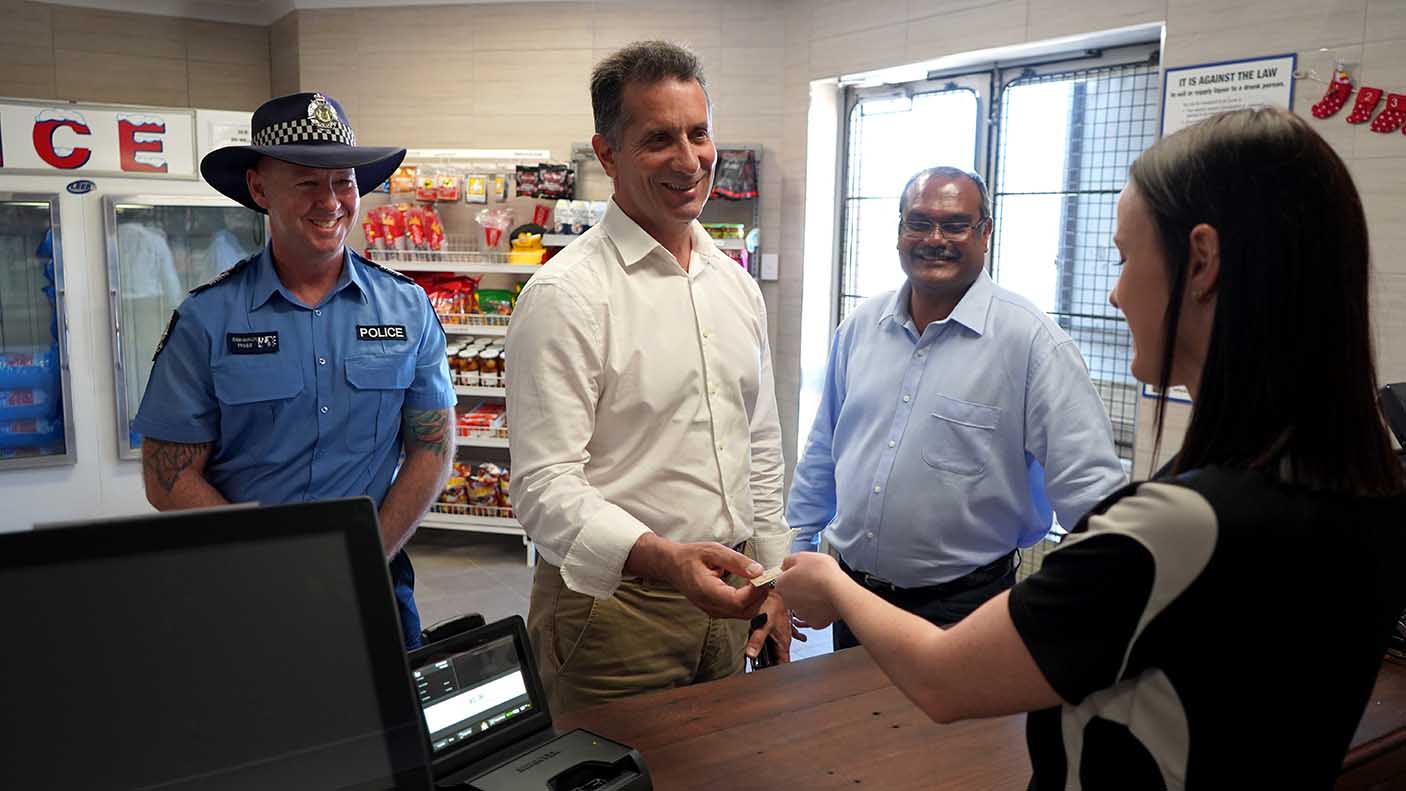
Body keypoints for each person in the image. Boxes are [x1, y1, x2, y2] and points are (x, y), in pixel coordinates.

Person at [777, 108, 1406, 789]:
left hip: (956, 612)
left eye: (1125, 255)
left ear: (1201, 262)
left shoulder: (1180, 524)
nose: (1113, 290)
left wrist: (830, 582)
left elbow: (945, 679)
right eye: (918, 221)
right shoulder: (1367, 485)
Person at [505, 41, 793, 715]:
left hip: (732, 593)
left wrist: (773, 574)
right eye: (658, 139)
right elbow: (544, 489)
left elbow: (762, 443)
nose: (689, 160)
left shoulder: (734, 285)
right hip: (612, 616)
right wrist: (664, 560)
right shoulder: (566, 295)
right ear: (607, 155)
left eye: (699, 133)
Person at [133, 92, 456, 649]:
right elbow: (167, 478)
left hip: (375, 575)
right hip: (245, 585)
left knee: (390, 730)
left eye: (343, 182)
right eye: (307, 181)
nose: (331, 202)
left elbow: (433, 446)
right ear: (260, 189)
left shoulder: (407, 308)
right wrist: (270, 561)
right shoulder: (207, 319)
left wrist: (367, 555)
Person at [786, 166, 1127, 649]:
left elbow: (1093, 496)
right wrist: (799, 545)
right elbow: (825, 448)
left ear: (986, 233)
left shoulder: (1031, 344)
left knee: (952, 726)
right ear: (900, 231)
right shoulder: (862, 326)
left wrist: (1080, 605)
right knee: (857, 725)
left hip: (963, 611)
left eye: (955, 224)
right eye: (919, 223)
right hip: (854, 600)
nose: (935, 239)